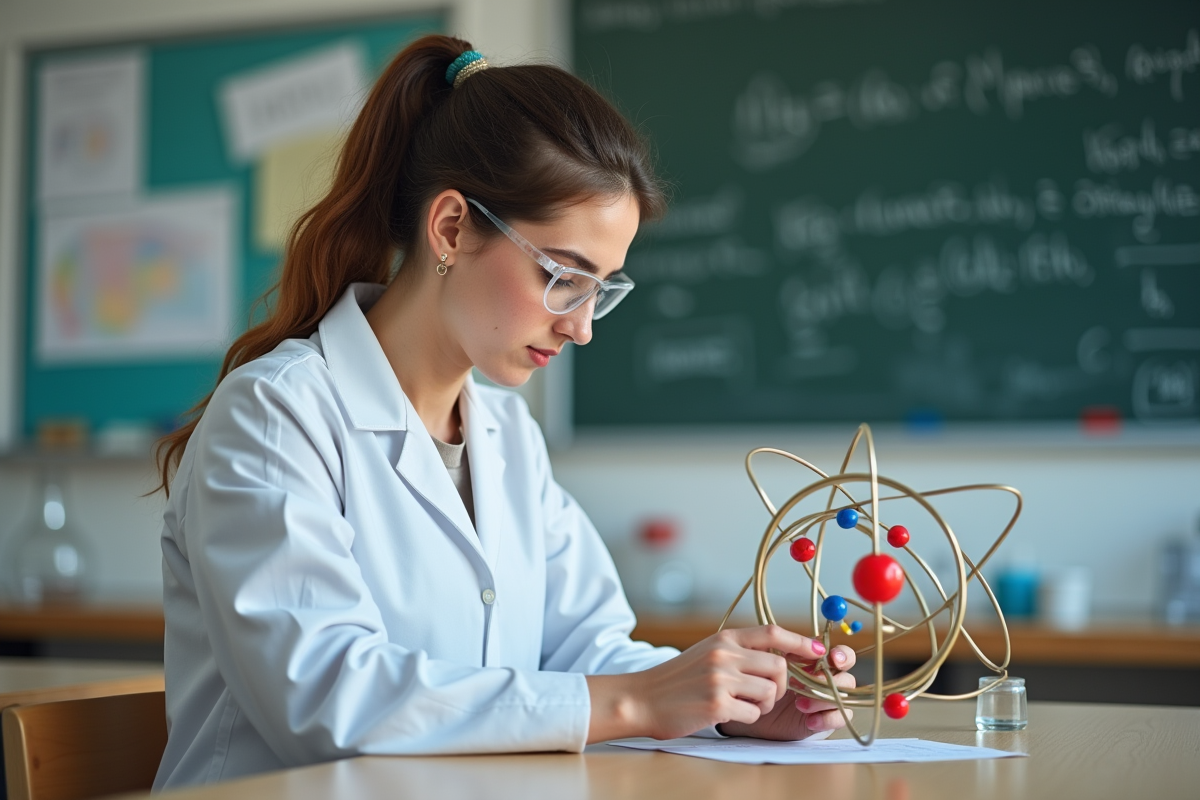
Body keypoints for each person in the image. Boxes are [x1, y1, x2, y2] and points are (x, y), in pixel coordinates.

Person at [151, 35, 857, 789]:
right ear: (452, 228)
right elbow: (324, 696)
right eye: (564, 276)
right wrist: (638, 701)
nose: (581, 327)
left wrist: (734, 704)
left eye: (601, 290)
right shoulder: (275, 414)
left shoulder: (507, 436)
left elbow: (585, 652)